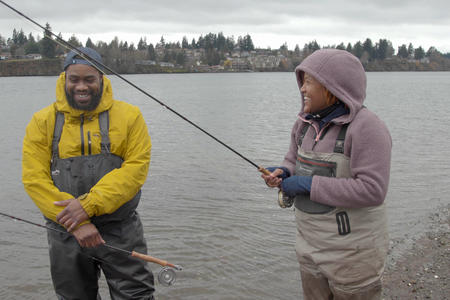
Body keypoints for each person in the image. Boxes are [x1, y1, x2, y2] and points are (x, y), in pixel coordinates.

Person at [22, 47, 155, 299]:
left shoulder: (130, 116)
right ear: (64, 80)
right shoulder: (42, 121)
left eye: (89, 79)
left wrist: (87, 205)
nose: (81, 86)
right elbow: (34, 179)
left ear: (102, 80)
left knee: (136, 294)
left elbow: (136, 169)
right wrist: (78, 223)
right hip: (67, 231)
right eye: (74, 79)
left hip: (120, 229)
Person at [261, 49, 392, 299]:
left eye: (309, 82)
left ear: (333, 87)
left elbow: (373, 190)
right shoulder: (303, 124)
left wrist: (307, 185)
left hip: (354, 254)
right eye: (303, 82)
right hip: (309, 247)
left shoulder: (368, 128)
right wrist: (284, 171)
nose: (302, 89)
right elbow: (292, 158)